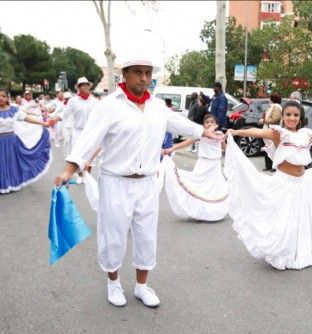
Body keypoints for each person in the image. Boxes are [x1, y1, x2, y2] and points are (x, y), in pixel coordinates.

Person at [53, 51, 221, 308]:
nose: (144, 78)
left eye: (148, 73)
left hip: (146, 183)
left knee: (146, 236)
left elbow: (178, 123)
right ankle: (113, 283)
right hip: (115, 182)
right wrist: (68, 170)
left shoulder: (156, 106)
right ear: (125, 74)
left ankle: (142, 286)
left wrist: (203, 132)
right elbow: (88, 140)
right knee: (114, 235)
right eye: (138, 73)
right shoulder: (108, 106)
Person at [224, 100, 312, 270]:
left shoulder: (305, 134)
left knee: (299, 220)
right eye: (288, 115)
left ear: (300, 117)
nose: (292, 118)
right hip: (284, 182)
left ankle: (297, 253)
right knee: (285, 220)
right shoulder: (278, 133)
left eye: (295, 115)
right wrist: (235, 131)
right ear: (283, 116)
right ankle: (280, 254)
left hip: (302, 183)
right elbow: (257, 132)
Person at [161, 114, 228, 222]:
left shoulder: (220, 134)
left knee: (214, 189)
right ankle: (199, 212)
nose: (209, 124)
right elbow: (186, 142)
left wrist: (229, 145)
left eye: (212, 122)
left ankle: (212, 212)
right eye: (207, 122)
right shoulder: (201, 135)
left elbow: (225, 147)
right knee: (199, 188)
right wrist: (171, 149)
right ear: (203, 125)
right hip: (203, 163)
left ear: (217, 124)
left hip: (215, 165)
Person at [0, 87, 52, 194]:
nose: (1, 98)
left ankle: (11, 184)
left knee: (10, 163)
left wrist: (43, 123)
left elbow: (27, 118)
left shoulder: (14, 110)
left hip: (11, 141)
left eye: (3, 96)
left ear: (7, 97)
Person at [56, 77, 98, 183]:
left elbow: (100, 115)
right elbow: (65, 113)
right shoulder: (73, 101)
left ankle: (87, 175)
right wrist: (55, 118)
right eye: (82, 85)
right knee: (78, 154)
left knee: (91, 154)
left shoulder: (94, 101)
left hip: (91, 132)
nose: (85, 87)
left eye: (87, 85)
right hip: (77, 131)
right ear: (78, 87)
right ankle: (80, 175)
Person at [259, 92, 282, 171]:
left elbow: (275, 119)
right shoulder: (271, 107)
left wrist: (264, 120)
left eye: (270, 98)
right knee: (267, 148)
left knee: (273, 149)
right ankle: (268, 166)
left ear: (272, 99)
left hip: (273, 130)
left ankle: (274, 167)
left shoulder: (277, 108)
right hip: (268, 130)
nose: (268, 99)